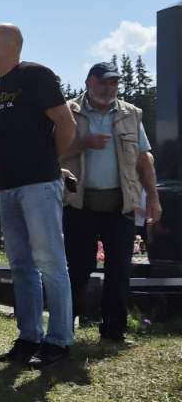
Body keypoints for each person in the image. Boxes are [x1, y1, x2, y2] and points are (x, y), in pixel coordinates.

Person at [0, 23, 76, 367]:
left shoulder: (35, 75)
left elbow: (65, 123)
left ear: (10, 45)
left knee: (51, 263)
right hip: (8, 187)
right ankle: (29, 337)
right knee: (21, 267)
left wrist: (49, 163)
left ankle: (60, 340)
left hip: (38, 185)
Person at [61, 61, 160, 344]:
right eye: (103, 82)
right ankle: (64, 328)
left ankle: (114, 331)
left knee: (119, 270)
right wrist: (83, 143)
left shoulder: (130, 114)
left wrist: (153, 197)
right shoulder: (69, 112)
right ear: (89, 82)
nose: (109, 88)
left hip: (120, 206)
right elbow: (50, 152)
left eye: (114, 83)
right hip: (79, 205)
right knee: (78, 268)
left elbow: (144, 159)